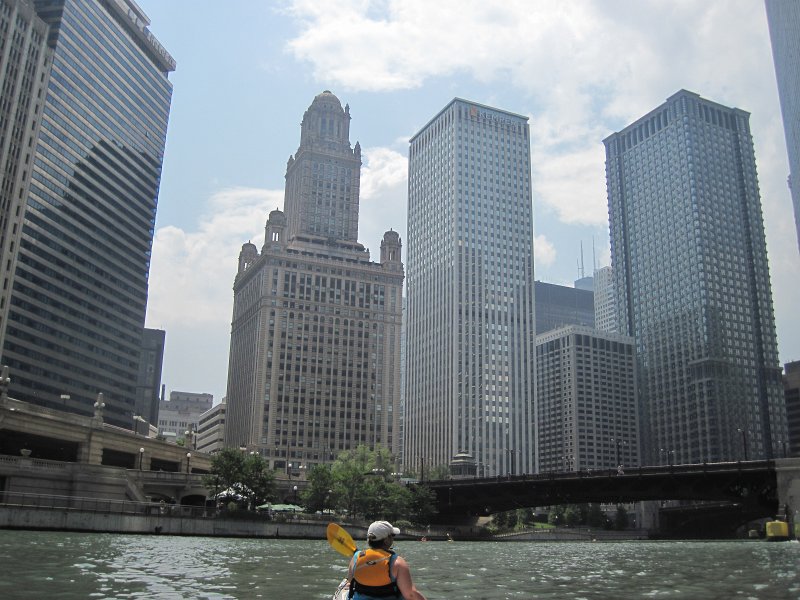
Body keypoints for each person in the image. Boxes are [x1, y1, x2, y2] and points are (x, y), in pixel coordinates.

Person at [346, 520, 427, 600]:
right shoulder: (397, 562)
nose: (393, 538)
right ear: (386, 540)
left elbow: (350, 582)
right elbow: (410, 595)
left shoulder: (356, 557)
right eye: (392, 535)